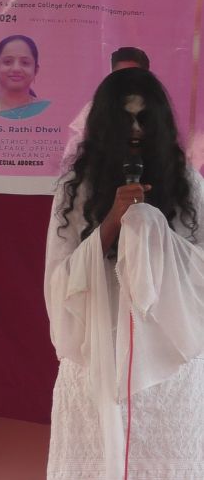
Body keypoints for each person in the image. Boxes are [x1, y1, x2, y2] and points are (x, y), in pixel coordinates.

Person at [45, 67, 204, 479]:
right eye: (125, 119)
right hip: (98, 350)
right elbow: (58, 280)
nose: (135, 130)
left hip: (169, 359)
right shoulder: (75, 187)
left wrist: (155, 236)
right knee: (96, 458)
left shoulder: (188, 183)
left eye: (144, 118)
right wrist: (113, 221)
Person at [62, 47, 150, 170]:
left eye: (132, 75)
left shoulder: (157, 109)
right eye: (118, 75)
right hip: (104, 177)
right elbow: (72, 157)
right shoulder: (94, 109)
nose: (125, 81)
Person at [0, 34, 50, 120]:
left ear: (36, 70)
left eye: (25, 63)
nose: (16, 68)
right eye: (7, 62)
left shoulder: (48, 110)